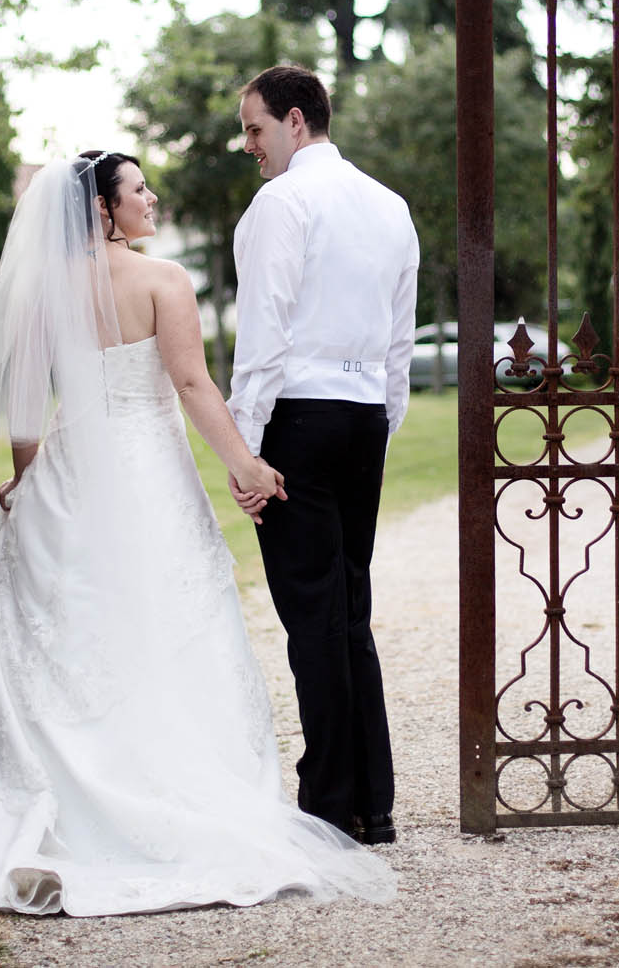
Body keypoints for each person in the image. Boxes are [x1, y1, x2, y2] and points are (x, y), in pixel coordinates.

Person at [0, 150, 395, 916]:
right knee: (163, 619)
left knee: (65, 626)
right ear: (102, 209)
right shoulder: (162, 281)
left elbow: (26, 398)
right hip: (147, 469)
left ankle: (54, 792)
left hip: (71, 468)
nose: (151, 197)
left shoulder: (42, 290)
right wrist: (246, 463)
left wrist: (27, 475)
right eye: (138, 189)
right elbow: (192, 383)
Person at [228, 66, 419, 846]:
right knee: (349, 608)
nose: (250, 146)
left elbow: (263, 333)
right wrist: (385, 416)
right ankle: (373, 801)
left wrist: (245, 446)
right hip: (365, 415)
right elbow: (402, 336)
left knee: (314, 614)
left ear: (296, 120)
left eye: (256, 129)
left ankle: (329, 801)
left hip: (299, 418)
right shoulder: (390, 205)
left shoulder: (282, 202)